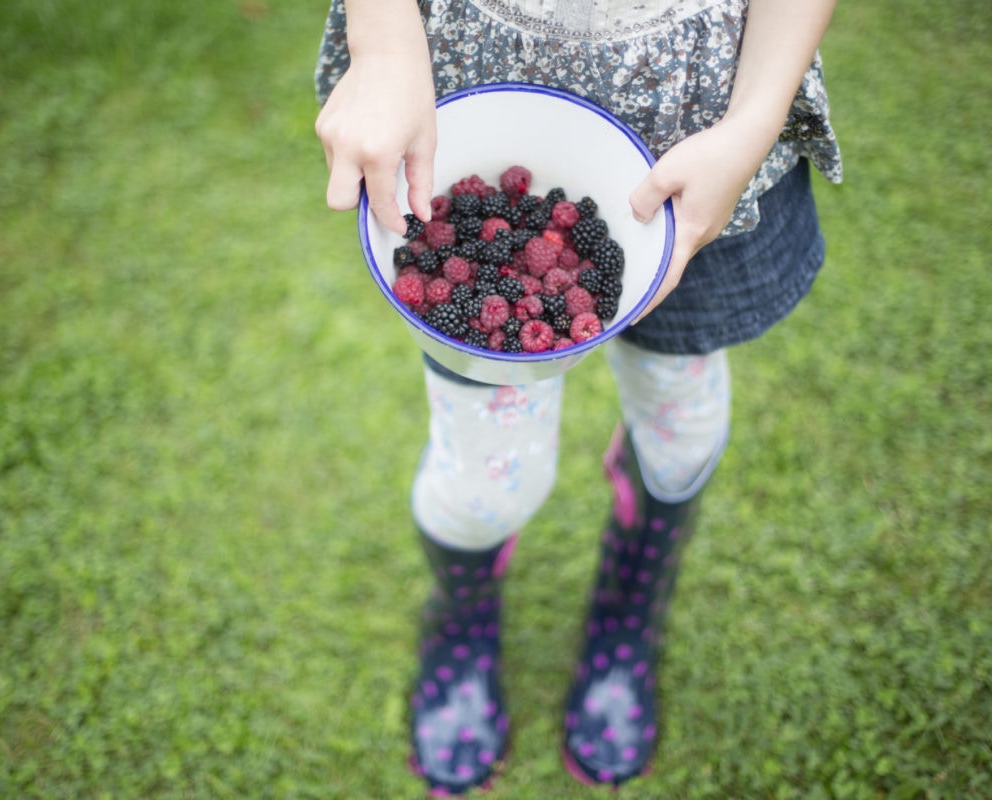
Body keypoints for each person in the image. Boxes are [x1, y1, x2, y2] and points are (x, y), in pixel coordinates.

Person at [313, 0, 842, 794]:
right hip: (474, 73)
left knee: (681, 438)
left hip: (706, 125)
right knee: (483, 486)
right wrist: (382, 36)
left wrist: (753, 125)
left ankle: (629, 607)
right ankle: (462, 623)